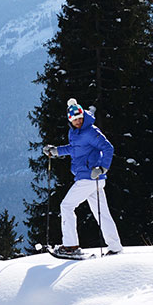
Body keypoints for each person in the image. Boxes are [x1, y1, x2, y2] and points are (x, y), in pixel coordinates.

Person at [43, 98, 124, 258]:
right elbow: (74, 149)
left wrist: (102, 168)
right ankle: (115, 247)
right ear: (70, 120)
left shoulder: (90, 131)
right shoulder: (75, 133)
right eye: (75, 119)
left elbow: (108, 147)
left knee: (66, 206)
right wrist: (56, 151)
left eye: (80, 118)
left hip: (89, 177)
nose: (78, 121)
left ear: (83, 116)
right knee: (102, 213)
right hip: (92, 179)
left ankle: (70, 246)